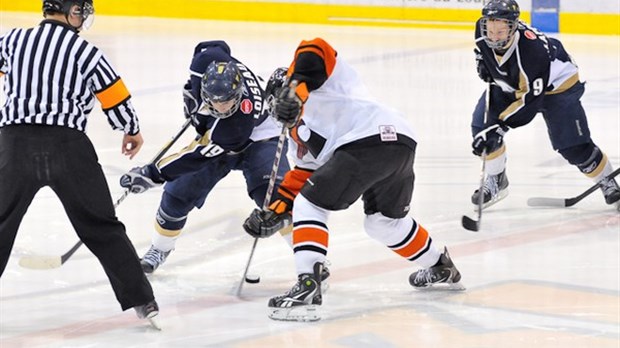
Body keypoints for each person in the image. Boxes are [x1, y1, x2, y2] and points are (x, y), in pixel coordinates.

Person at [243, 37, 464, 322]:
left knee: (310, 206)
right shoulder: (299, 136)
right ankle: (439, 265)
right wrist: (274, 212)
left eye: (278, 100)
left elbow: (315, 48)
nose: (277, 110)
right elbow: (304, 176)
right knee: (383, 223)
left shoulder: (324, 82)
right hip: (399, 143)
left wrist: (295, 90)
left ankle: (309, 285)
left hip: (368, 138)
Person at [0, 0, 158, 321]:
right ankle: (143, 301)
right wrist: (131, 130)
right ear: (72, 11)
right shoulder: (87, 52)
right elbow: (114, 95)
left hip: (14, 145)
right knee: (101, 225)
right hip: (68, 147)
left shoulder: (12, 40)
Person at [119, 41, 293, 274]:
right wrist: (192, 88)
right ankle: (160, 249)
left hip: (262, 137)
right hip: (221, 134)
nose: (221, 106)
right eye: (215, 100)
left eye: (228, 101)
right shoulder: (204, 62)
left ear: (238, 93)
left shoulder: (235, 124)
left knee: (275, 200)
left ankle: (309, 259)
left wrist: (152, 174)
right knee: (178, 194)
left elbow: (197, 156)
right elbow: (216, 46)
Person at [470, 0, 620, 210]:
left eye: (501, 31)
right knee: (482, 128)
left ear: (513, 27)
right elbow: (482, 48)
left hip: (557, 87)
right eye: (490, 29)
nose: (494, 36)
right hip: (517, 83)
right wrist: (482, 61)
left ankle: (608, 182)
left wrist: (500, 127)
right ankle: (497, 180)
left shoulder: (532, 53)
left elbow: (528, 102)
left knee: (573, 146)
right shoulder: (482, 29)